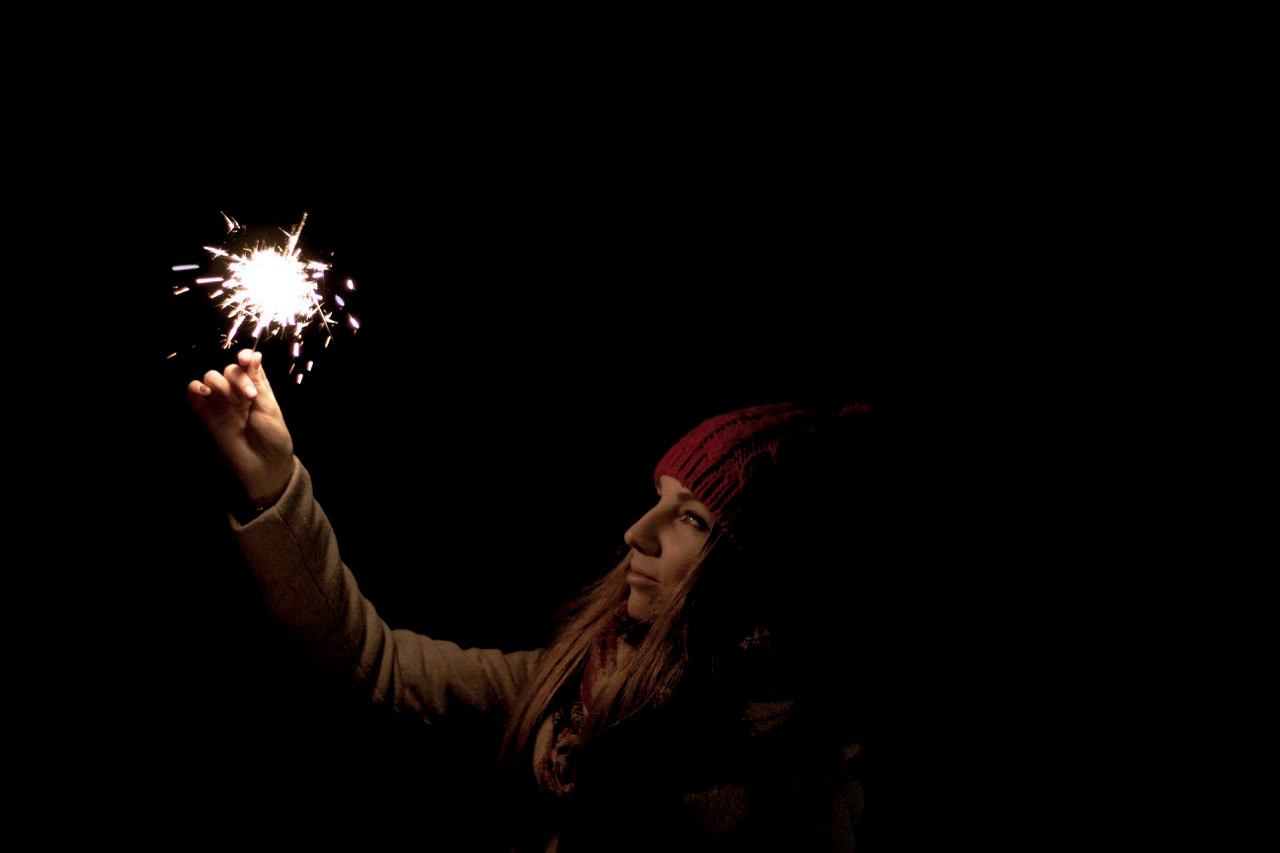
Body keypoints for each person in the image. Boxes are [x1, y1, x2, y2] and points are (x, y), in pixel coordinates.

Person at [187, 349, 882, 851]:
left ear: (765, 575)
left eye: (693, 519)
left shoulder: (797, 810)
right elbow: (380, 670)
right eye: (659, 500)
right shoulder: (581, 686)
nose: (637, 534)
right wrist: (277, 486)